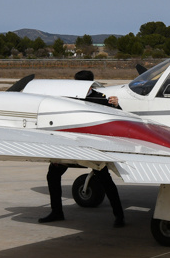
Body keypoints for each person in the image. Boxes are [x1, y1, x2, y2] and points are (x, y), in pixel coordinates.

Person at [38, 71, 125, 227]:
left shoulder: (100, 98)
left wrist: (116, 105)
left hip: (91, 147)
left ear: (89, 84)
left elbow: (119, 117)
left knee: (105, 180)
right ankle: (57, 211)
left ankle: (119, 216)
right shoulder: (68, 98)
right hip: (70, 145)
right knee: (53, 174)